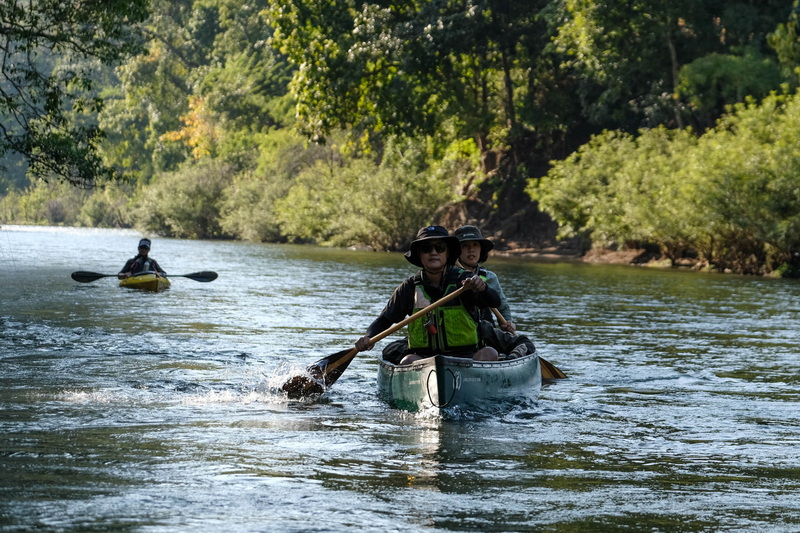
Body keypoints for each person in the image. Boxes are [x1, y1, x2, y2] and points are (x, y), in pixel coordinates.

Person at [354, 225, 501, 364]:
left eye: (440, 247)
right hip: (423, 360)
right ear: (419, 254)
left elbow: (494, 301)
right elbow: (385, 319)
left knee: (490, 353)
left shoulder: (465, 281)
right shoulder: (409, 288)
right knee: (407, 360)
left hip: (466, 357)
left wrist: (483, 288)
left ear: (448, 252)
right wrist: (368, 337)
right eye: (426, 248)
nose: (433, 252)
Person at [454, 225, 516, 333]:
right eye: (465, 245)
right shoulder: (449, 276)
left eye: (475, 245)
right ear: (457, 250)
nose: (471, 250)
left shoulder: (489, 277)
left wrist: (507, 323)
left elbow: (503, 307)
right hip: (459, 331)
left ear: (481, 249)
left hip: (485, 333)